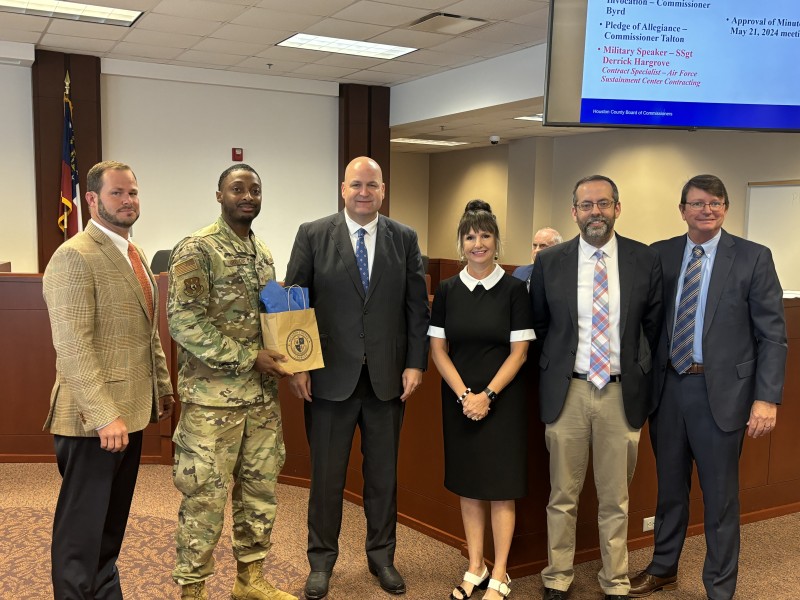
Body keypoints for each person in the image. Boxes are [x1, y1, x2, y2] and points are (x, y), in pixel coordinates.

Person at [629, 175, 787, 600]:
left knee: (720, 498)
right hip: (669, 391)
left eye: (716, 203)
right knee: (669, 490)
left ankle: (719, 586)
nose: (707, 210)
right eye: (698, 203)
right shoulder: (659, 255)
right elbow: (645, 324)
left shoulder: (753, 258)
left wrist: (766, 397)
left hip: (723, 396)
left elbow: (772, 335)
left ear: (726, 208)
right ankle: (663, 568)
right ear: (682, 210)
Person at [284, 156, 429, 599]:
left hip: (387, 379)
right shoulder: (313, 234)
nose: (364, 192)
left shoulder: (403, 238)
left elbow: (415, 307)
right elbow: (294, 301)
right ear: (342, 189)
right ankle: (321, 561)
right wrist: (299, 364)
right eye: (356, 185)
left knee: (383, 477)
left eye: (372, 185)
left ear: (383, 190)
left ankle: (382, 557)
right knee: (327, 477)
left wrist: (416, 363)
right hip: (329, 379)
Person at [42, 160, 174, 599]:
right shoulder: (74, 255)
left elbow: (145, 331)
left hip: (131, 413)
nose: (128, 201)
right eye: (117, 193)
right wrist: (103, 416)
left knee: (109, 526)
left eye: (133, 192)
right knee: (81, 534)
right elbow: (74, 346)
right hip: (94, 423)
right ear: (92, 199)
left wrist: (163, 386)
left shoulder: (132, 252)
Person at [530, 175, 663, 600]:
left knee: (615, 499)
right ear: (574, 212)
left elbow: (652, 327)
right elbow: (540, 324)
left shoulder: (644, 259)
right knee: (562, 495)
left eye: (603, 204)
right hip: (568, 391)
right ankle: (558, 576)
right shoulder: (551, 261)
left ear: (617, 209)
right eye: (586, 205)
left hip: (620, 394)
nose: (595, 213)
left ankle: (615, 580)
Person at [168, 164, 296, 600]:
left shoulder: (262, 252)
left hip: (261, 401)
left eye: (254, 189)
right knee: (204, 500)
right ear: (219, 195)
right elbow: (183, 321)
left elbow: (267, 320)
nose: (247, 196)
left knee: (259, 493)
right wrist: (248, 357)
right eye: (237, 189)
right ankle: (194, 590)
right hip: (212, 404)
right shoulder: (197, 248)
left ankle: (250, 580)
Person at [428, 200, 534, 600]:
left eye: (485, 235)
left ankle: (501, 573)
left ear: (496, 242)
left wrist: (487, 395)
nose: (478, 243)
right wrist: (464, 396)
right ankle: (476, 565)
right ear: (461, 243)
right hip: (459, 400)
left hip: (502, 401)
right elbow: (439, 350)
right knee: (469, 486)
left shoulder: (514, 289)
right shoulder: (448, 289)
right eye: (470, 236)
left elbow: (519, 353)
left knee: (499, 487)